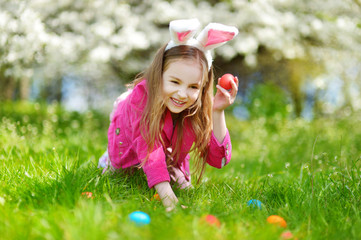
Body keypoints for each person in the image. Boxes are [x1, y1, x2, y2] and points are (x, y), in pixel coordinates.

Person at [98, 18, 239, 211]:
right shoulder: (140, 99)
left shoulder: (194, 106)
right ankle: (107, 160)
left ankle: (171, 171)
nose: (182, 94)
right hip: (128, 156)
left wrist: (217, 110)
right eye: (174, 82)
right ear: (159, 75)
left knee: (182, 182)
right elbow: (150, 149)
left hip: (168, 155)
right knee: (122, 173)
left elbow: (218, 159)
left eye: (193, 86)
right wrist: (169, 200)